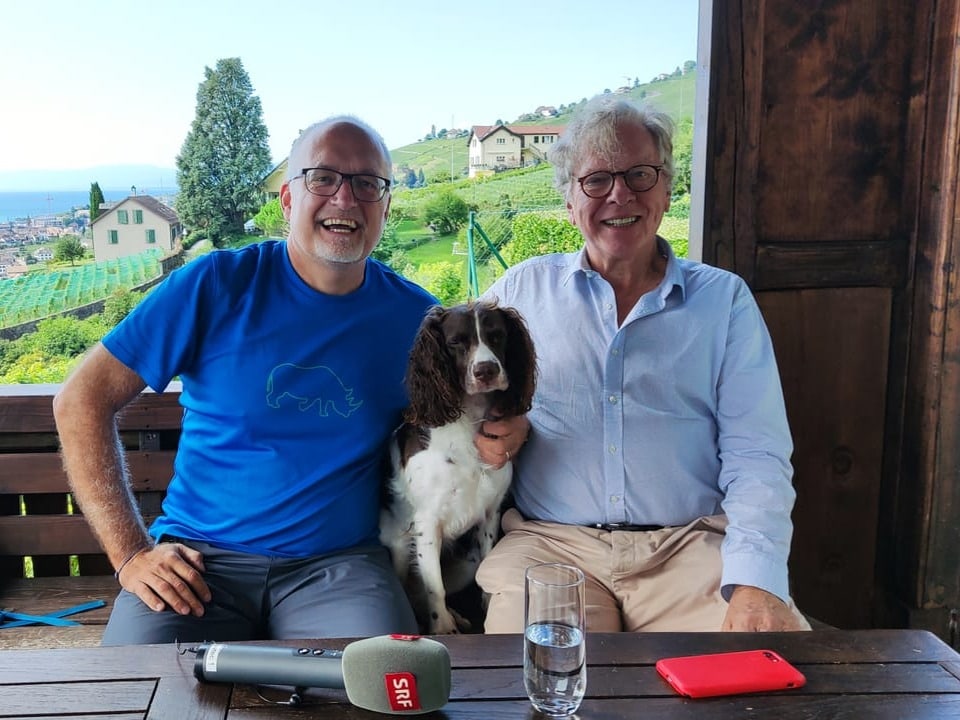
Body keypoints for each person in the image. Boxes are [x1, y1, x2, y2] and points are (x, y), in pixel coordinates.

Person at [53, 115, 519, 645]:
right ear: (287, 200)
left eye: (368, 184)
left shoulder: (421, 322)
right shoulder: (213, 285)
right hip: (198, 565)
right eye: (323, 178)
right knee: (136, 689)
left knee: (384, 687)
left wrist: (512, 424)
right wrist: (131, 554)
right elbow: (80, 402)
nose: (345, 199)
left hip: (339, 569)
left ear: (385, 206)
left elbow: (478, 403)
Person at [477, 94, 811, 633]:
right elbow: (445, 384)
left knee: (763, 680)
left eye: (639, 174)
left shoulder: (723, 301)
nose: (619, 194)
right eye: (596, 180)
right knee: (539, 692)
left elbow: (759, 453)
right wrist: (484, 433)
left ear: (667, 186)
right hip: (551, 548)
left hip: (692, 548)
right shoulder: (520, 291)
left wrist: (756, 580)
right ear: (568, 198)